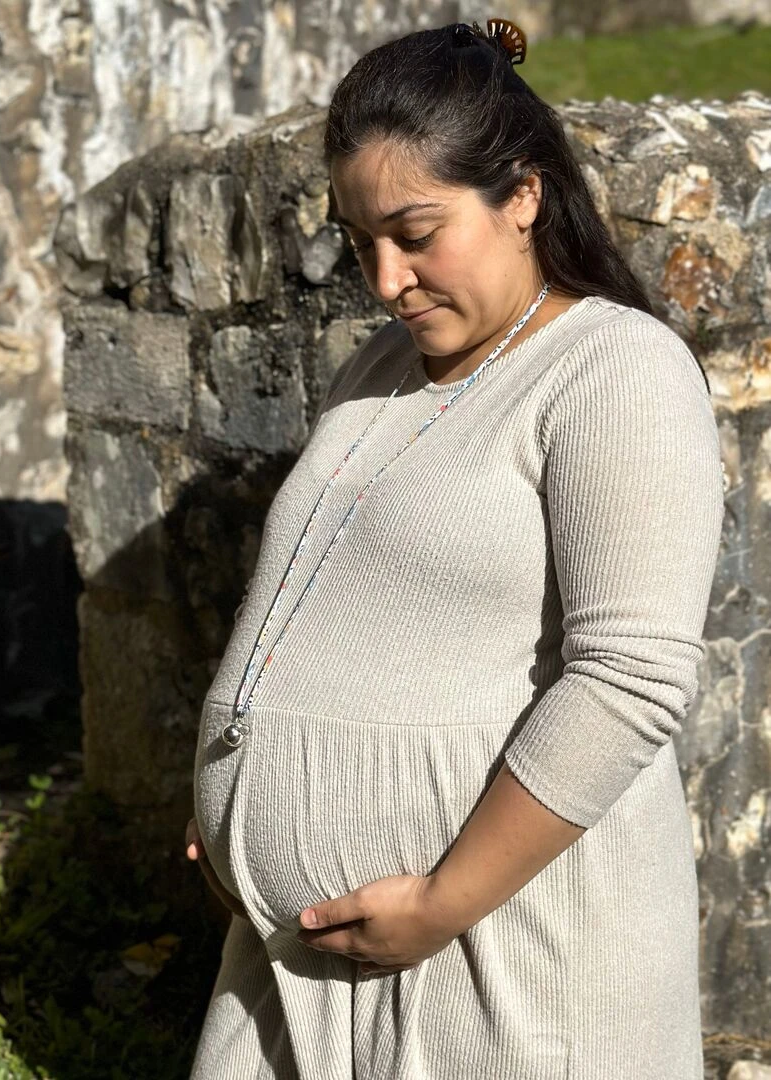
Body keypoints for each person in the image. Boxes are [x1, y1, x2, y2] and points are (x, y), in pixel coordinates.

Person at [186, 18, 724, 1079]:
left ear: (522, 196)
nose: (386, 278)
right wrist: (234, 778)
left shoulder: (613, 371)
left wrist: (443, 901)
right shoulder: (380, 369)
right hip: (301, 959)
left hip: (502, 958)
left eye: (417, 231)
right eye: (360, 242)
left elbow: (631, 677)